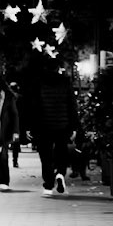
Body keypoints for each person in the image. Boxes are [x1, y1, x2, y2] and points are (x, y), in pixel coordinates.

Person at [34, 62, 77, 194]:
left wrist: (31, 126)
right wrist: (74, 126)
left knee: (45, 155)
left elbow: (34, 106)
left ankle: (48, 184)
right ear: (58, 69)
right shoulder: (65, 83)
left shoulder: (39, 83)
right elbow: (72, 105)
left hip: (44, 126)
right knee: (61, 151)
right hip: (62, 125)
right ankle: (60, 173)